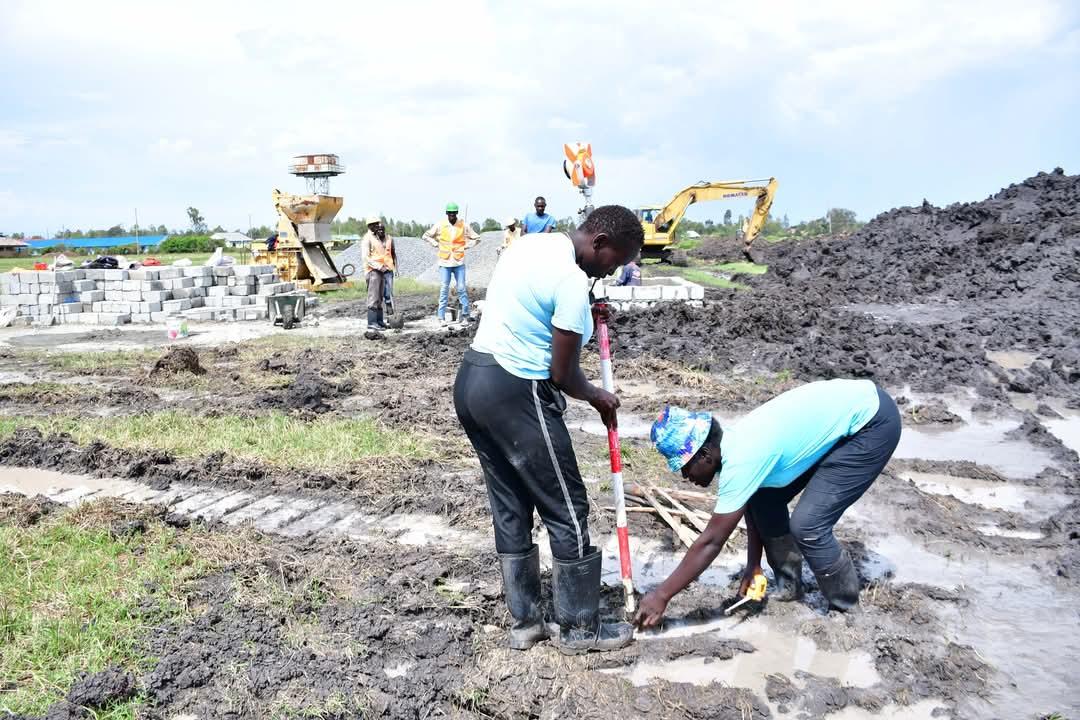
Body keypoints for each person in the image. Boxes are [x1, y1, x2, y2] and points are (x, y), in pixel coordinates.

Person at [454, 205, 645, 654]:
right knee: (567, 507)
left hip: (472, 380)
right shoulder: (571, 282)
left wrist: (585, 311)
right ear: (598, 243)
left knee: (511, 504)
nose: (613, 269)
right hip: (515, 392)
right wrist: (599, 396)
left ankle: (526, 623)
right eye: (615, 260)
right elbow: (564, 376)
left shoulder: (531, 245)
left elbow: (535, 307)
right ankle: (581, 629)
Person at [634, 379, 901, 629]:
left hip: (871, 423)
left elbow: (711, 542)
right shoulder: (735, 447)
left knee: (808, 525)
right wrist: (754, 566)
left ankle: (845, 607)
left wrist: (662, 594)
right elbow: (754, 502)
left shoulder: (743, 458)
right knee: (765, 499)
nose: (685, 476)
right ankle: (788, 585)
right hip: (847, 415)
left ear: (704, 454)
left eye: (684, 467)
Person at [423, 202, 481, 324]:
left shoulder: (463, 225)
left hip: (459, 261)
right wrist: (435, 243)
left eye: (454, 214)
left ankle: (465, 315)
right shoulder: (440, 225)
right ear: (447, 214)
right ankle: (441, 317)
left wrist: (467, 246)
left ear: (456, 214)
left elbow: (477, 238)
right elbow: (426, 235)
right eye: (450, 214)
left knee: (461, 288)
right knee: (444, 288)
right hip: (445, 261)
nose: (452, 216)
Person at [362, 216, 396, 329]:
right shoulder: (367, 238)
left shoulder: (376, 237)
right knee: (373, 297)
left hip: (381, 271)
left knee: (380, 297)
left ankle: (379, 321)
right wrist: (379, 266)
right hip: (373, 271)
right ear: (370, 225)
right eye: (376, 224)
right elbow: (366, 258)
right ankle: (372, 322)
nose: (378, 226)